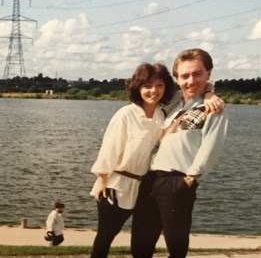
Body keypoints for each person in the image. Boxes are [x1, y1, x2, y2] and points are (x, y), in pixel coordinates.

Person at [131, 49, 229, 258]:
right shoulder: (174, 103)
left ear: (208, 73)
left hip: (177, 182)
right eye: (184, 76)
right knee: (140, 244)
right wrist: (210, 90)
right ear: (176, 79)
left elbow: (212, 147)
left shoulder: (211, 108)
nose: (190, 81)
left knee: (175, 246)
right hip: (150, 179)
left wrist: (190, 178)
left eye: (197, 74)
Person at [90, 63, 175, 258]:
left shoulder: (162, 115)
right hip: (115, 184)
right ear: (137, 88)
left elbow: (192, 91)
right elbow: (109, 148)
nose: (153, 91)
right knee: (106, 236)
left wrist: (210, 91)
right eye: (147, 86)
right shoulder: (126, 114)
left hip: (142, 186)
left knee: (141, 239)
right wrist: (102, 179)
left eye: (159, 85)